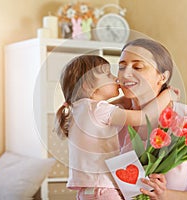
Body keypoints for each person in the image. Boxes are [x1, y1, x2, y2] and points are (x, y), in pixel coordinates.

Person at [116, 38, 187, 200]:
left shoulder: (185, 119)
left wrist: (165, 195)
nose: (126, 73)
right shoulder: (117, 122)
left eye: (137, 67)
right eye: (121, 66)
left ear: (162, 77)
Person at [54, 55, 177, 200]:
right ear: (87, 85)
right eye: (107, 74)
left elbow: (118, 106)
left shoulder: (78, 110)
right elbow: (144, 117)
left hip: (86, 192)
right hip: (104, 190)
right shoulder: (99, 109)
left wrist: (133, 93)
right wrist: (168, 95)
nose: (116, 78)